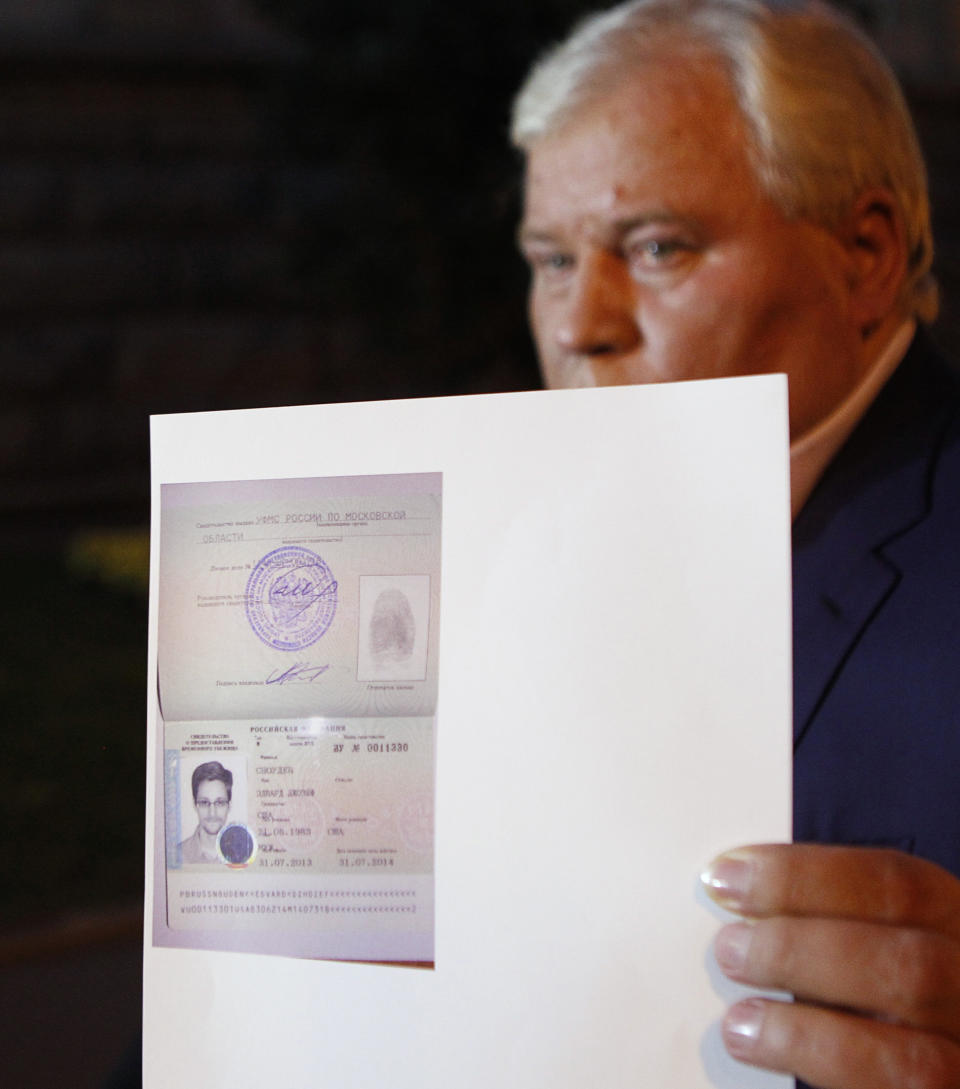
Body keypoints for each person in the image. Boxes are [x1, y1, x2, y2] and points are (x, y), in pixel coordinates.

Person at [512, 1, 960, 1086]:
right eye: (553, 259)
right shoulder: (499, 549)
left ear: (865, 259)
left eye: (656, 247)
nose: (579, 325)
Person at [179, 760, 233, 864]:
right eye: (204, 802)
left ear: (229, 806)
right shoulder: (177, 855)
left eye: (219, 802)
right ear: (195, 805)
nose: (212, 813)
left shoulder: (243, 854)